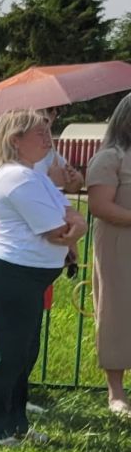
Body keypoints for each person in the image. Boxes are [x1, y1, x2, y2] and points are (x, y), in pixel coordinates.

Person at [0, 110, 83, 444]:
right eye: (38, 132)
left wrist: (75, 226)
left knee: (22, 353)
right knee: (5, 355)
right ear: (14, 140)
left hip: (27, 277)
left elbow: (70, 213)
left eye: (47, 129)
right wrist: (76, 229)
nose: (47, 136)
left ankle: (15, 424)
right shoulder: (16, 177)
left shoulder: (35, 176)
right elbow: (56, 230)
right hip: (11, 273)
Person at [88, 95, 131, 415]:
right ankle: (116, 393)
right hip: (120, 245)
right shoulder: (110, 157)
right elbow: (101, 207)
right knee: (117, 313)